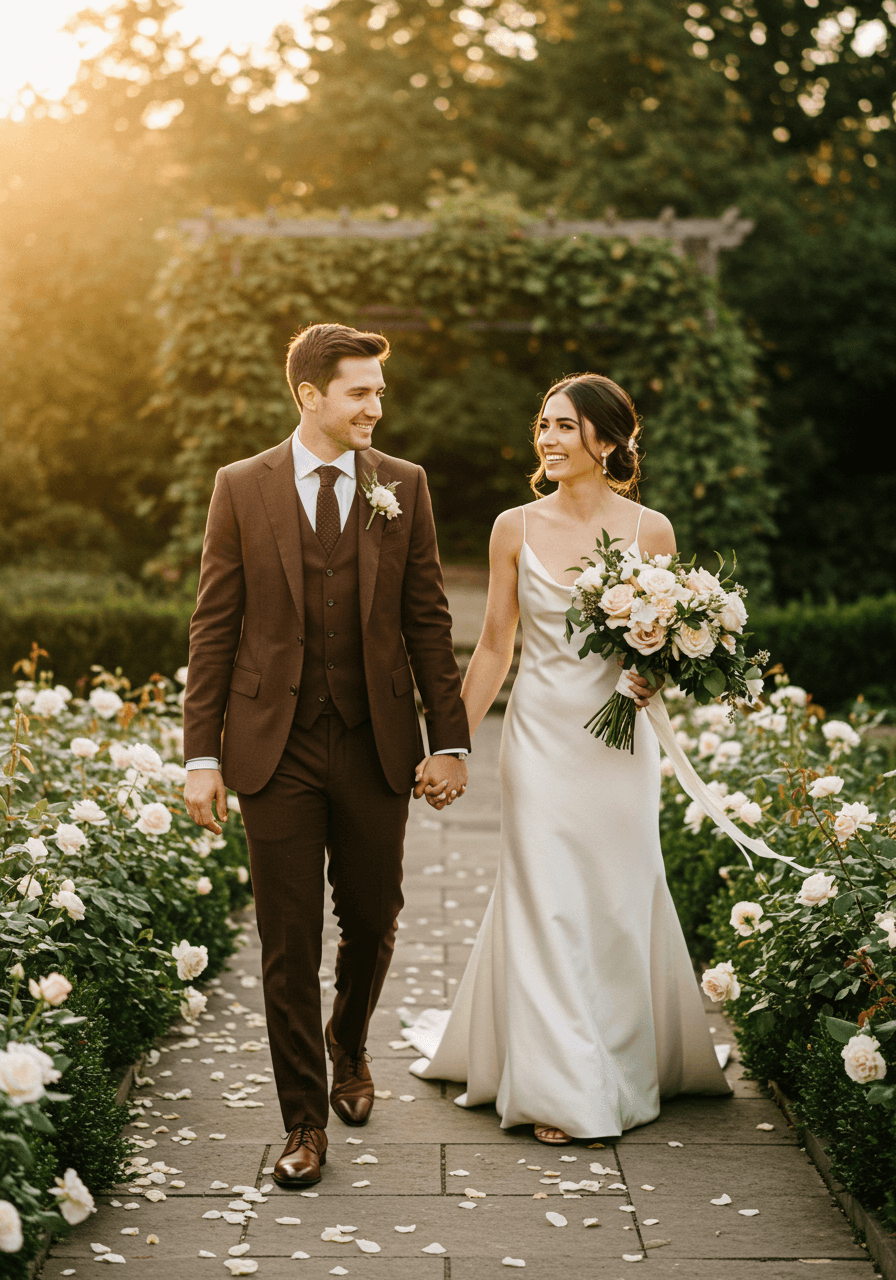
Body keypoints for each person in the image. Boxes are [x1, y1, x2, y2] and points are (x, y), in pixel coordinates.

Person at [406, 372, 731, 1144]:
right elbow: (493, 647)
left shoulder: (652, 530)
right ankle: (561, 1089)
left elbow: (667, 644)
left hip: (620, 745)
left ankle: (620, 1059)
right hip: (541, 741)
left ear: (610, 441)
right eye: (543, 425)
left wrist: (654, 666)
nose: (547, 438)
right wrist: (453, 742)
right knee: (547, 897)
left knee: (615, 901)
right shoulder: (512, 526)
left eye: (564, 426)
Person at [182, 323, 471, 1186]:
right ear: (310, 397)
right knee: (285, 940)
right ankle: (304, 1123)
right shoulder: (241, 486)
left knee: (375, 917)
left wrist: (448, 741)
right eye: (361, 392)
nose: (377, 408)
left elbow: (428, 620)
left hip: (375, 741)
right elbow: (214, 627)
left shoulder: (404, 486)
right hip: (275, 748)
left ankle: (350, 1039)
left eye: (379, 392)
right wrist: (202, 755)